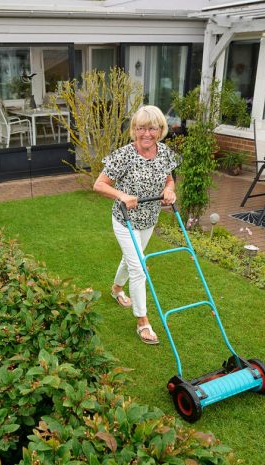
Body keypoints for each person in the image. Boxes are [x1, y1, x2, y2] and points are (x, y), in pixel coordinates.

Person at [92, 105, 178, 345]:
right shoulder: (124, 155)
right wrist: (122, 195)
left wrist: (169, 191)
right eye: (141, 128)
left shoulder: (165, 153)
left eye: (152, 128)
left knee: (131, 260)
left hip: (150, 218)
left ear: (160, 129)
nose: (146, 134)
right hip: (125, 220)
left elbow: (169, 180)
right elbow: (99, 184)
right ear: (134, 130)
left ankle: (117, 288)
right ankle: (143, 321)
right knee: (139, 267)